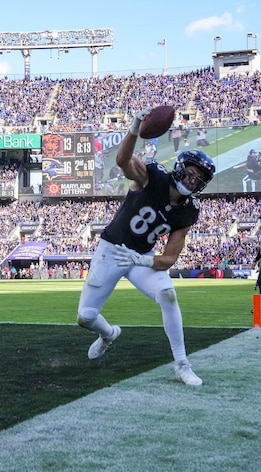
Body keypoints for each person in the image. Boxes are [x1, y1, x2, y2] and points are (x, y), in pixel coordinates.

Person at [76, 108, 216, 386]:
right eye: (190, 174)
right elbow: (122, 160)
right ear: (179, 169)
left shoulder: (189, 212)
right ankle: (109, 334)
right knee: (85, 316)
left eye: (198, 180)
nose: (192, 181)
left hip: (141, 257)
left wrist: (143, 261)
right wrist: (134, 127)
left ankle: (182, 363)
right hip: (112, 249)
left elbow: (170, 258)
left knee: (168, 294)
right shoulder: (154, 176)